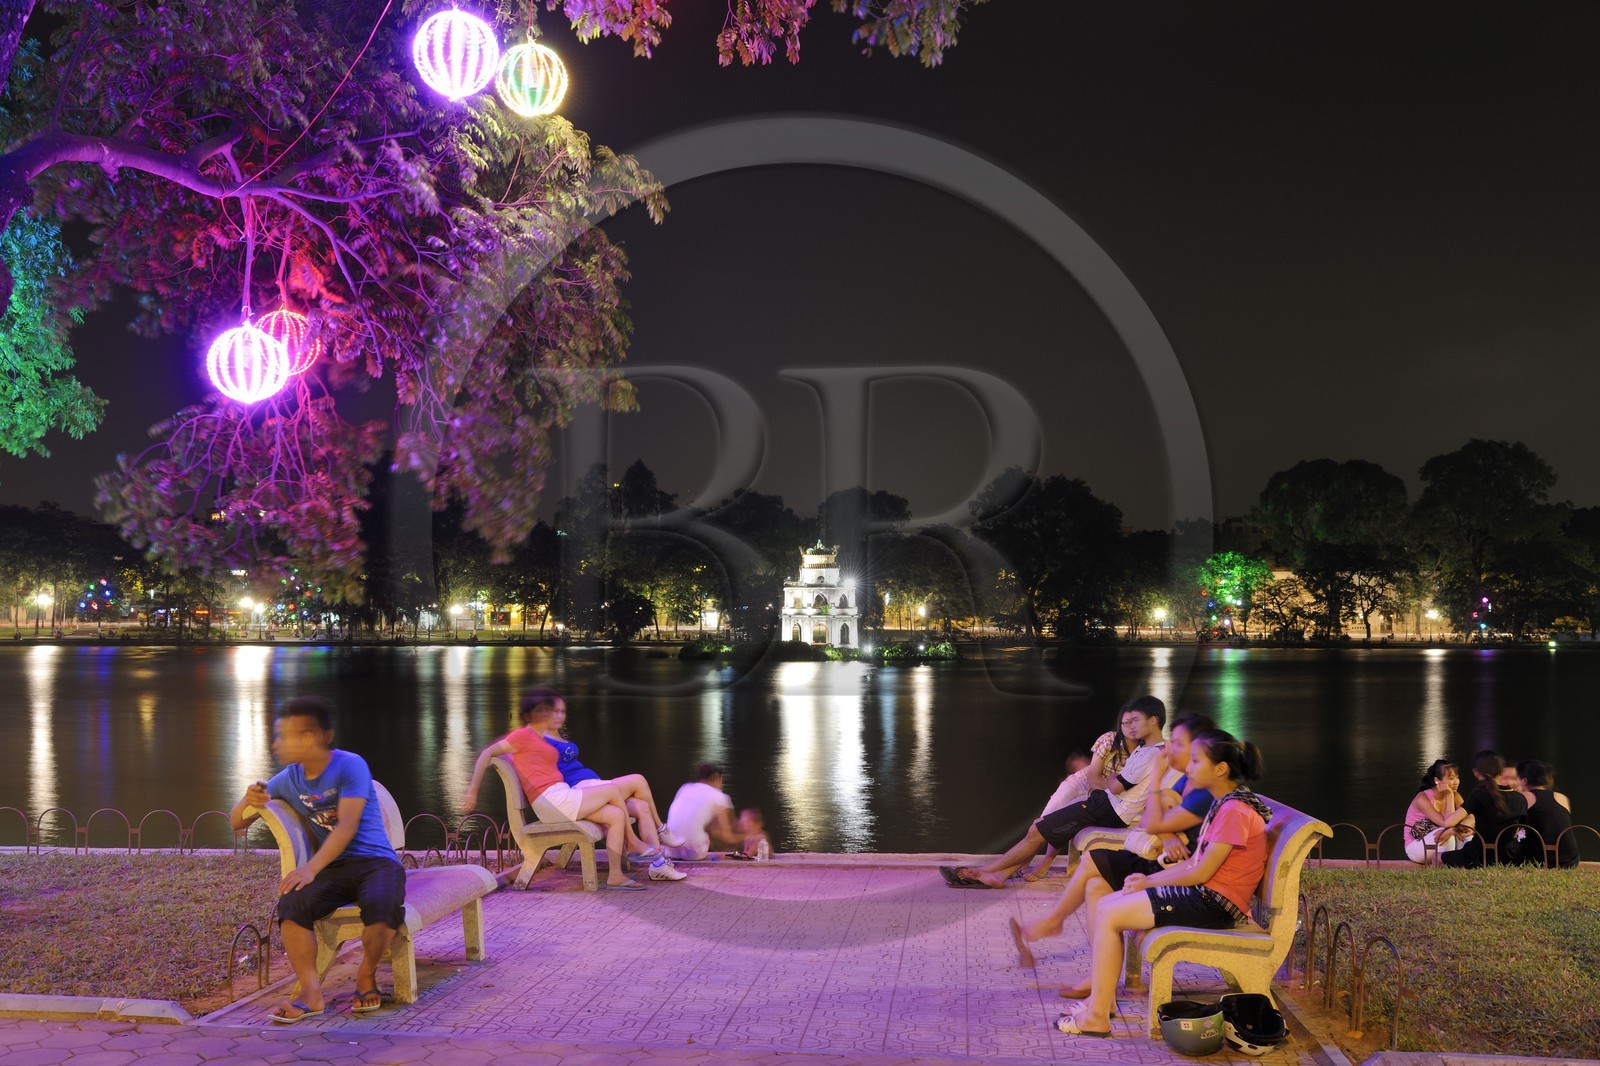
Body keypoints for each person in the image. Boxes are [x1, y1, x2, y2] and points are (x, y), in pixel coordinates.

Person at [1055, 729, 1270, 1038]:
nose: (1189, 768)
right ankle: (1100, 1004)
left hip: (1216, 904)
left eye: (1196, 761)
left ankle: (1097, 1016)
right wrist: (1148, 879)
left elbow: (1199, 871)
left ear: (1220, 769)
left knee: (1109, 913)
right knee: (1105, 904)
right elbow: (1196, 863)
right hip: (1206, 895)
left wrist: (1148, 882)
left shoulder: (1234, 810)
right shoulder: (1225, 803)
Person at [229, 696, 406, 1022]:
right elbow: (238, 823)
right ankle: (311, 994)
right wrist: (247, 799)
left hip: (376, 862)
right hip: (335, 867)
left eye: (286, 735)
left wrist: (309, 868)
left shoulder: (351, 765)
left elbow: (348, 826)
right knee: (292, 903)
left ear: (313, 736)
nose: (276, 743)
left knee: (382, 909)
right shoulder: (288, 778)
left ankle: (366, 976)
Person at [1013, 712, 1216, 987]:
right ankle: (1097, 979)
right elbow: (1149, 821)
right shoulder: (1186, 782)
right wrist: (1167, 832)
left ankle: (1056, 924)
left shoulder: (1204, 792)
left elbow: (1155, 822)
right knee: (1095, 880)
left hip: (1177, 876)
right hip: (1168, 862)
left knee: (1100, 879)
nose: (1169, 749)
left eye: (1178, 744)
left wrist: (1156, 782)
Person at [944, 696, 1168, 889]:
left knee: (1037, 830)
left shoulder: (1149, 754)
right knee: (1038, 827)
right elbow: (1107, 780)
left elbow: (1115, 786)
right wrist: (1108, 780)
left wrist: (1110, 781)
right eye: (1127, 721)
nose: (1132, 726)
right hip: (1105, 803)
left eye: (1136, 720)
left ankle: (985, 871)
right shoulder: (1143, 748)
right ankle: (997, 875)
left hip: (1110, 809)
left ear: (1153, 721)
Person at [462, 690, 657, 889]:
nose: (556, 716)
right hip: (550, 801)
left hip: (561, 796)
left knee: (615, 815)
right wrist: (473, 791)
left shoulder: (544, 738)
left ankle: (615, 876)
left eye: (559, 712)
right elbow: (487, 752)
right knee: (613, 790)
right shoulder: (523, 735)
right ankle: (632, 843)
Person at [540, 701, 688, 880]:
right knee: (638, 780)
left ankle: (658, 865)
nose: (559, 716)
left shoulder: (557, 736)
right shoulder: (542, 740)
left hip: (593, 784)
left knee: (641, 806)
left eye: (562, 712)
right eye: (554, 712)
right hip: (580, 791)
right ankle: (661, 830)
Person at [1441, 750, 1528, 869]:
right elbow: (1520, 828)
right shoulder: (1520, 798)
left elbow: (1448, 822)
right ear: (1502, 771)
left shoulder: (1478, 795)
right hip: (1510, 856)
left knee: (1438, 857)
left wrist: (1448, 794)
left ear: (1476, 772)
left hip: (1479, 855)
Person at [663, 764, 742, 860]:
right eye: (721, 780)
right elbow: (727, 837)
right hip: (694, 853)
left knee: (705, 827)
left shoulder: (685, 788)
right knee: (710, 833)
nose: (722, 785)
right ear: (716, 777)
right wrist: (752, 836)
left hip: (670, 850)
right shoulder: (719, 796)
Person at [1403, 759, 1473, 865]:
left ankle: (1467, 866)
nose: (1456, 782)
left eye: (1457, 777)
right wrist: (1449, 795)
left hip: (1439, 841)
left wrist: (1456, 830)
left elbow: (1471, 819)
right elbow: (1446, 824)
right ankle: (1443, 870)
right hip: (1417, 845)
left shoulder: (1457, 796)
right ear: (1437, 780)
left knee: (1468, 836)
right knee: (1445, 834)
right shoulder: (1422, 798)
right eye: (1451, 778)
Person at [1514, 759, 1578, 868]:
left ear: (1524, 780)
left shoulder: (1522, 797)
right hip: (1569, 860)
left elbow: (1514, 827)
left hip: (1537, 860)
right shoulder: (1562, 797)